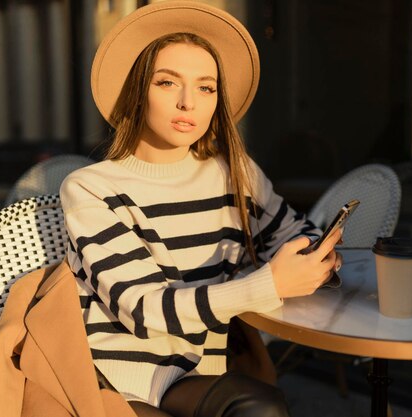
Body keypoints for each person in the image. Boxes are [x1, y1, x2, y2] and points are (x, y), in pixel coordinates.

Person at [59, 2, 342, 417]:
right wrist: (269, 283)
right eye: (168, 83)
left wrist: (316, 255)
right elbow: (142, 310)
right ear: (140, 91)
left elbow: (291, 231)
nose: (188, 102)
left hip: (205, 371)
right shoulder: (91, 187)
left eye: (206, 87)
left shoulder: (235, 173)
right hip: (125, 377)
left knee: (262, 407)